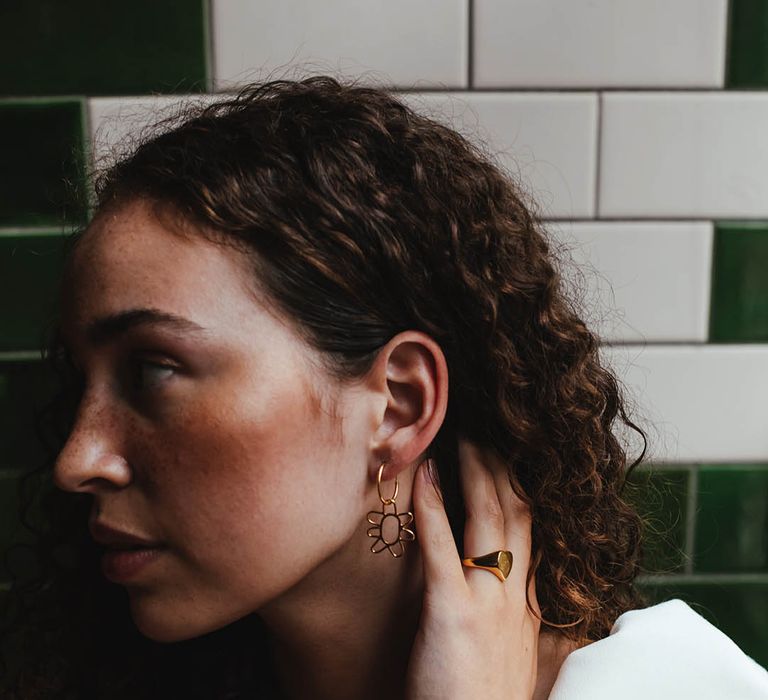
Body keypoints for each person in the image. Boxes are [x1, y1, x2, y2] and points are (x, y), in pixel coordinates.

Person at [1, 76, 766, 699]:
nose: (77, 459)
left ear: (397, 404)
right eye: (83, 381)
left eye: (152, 371)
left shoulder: (670, 685)